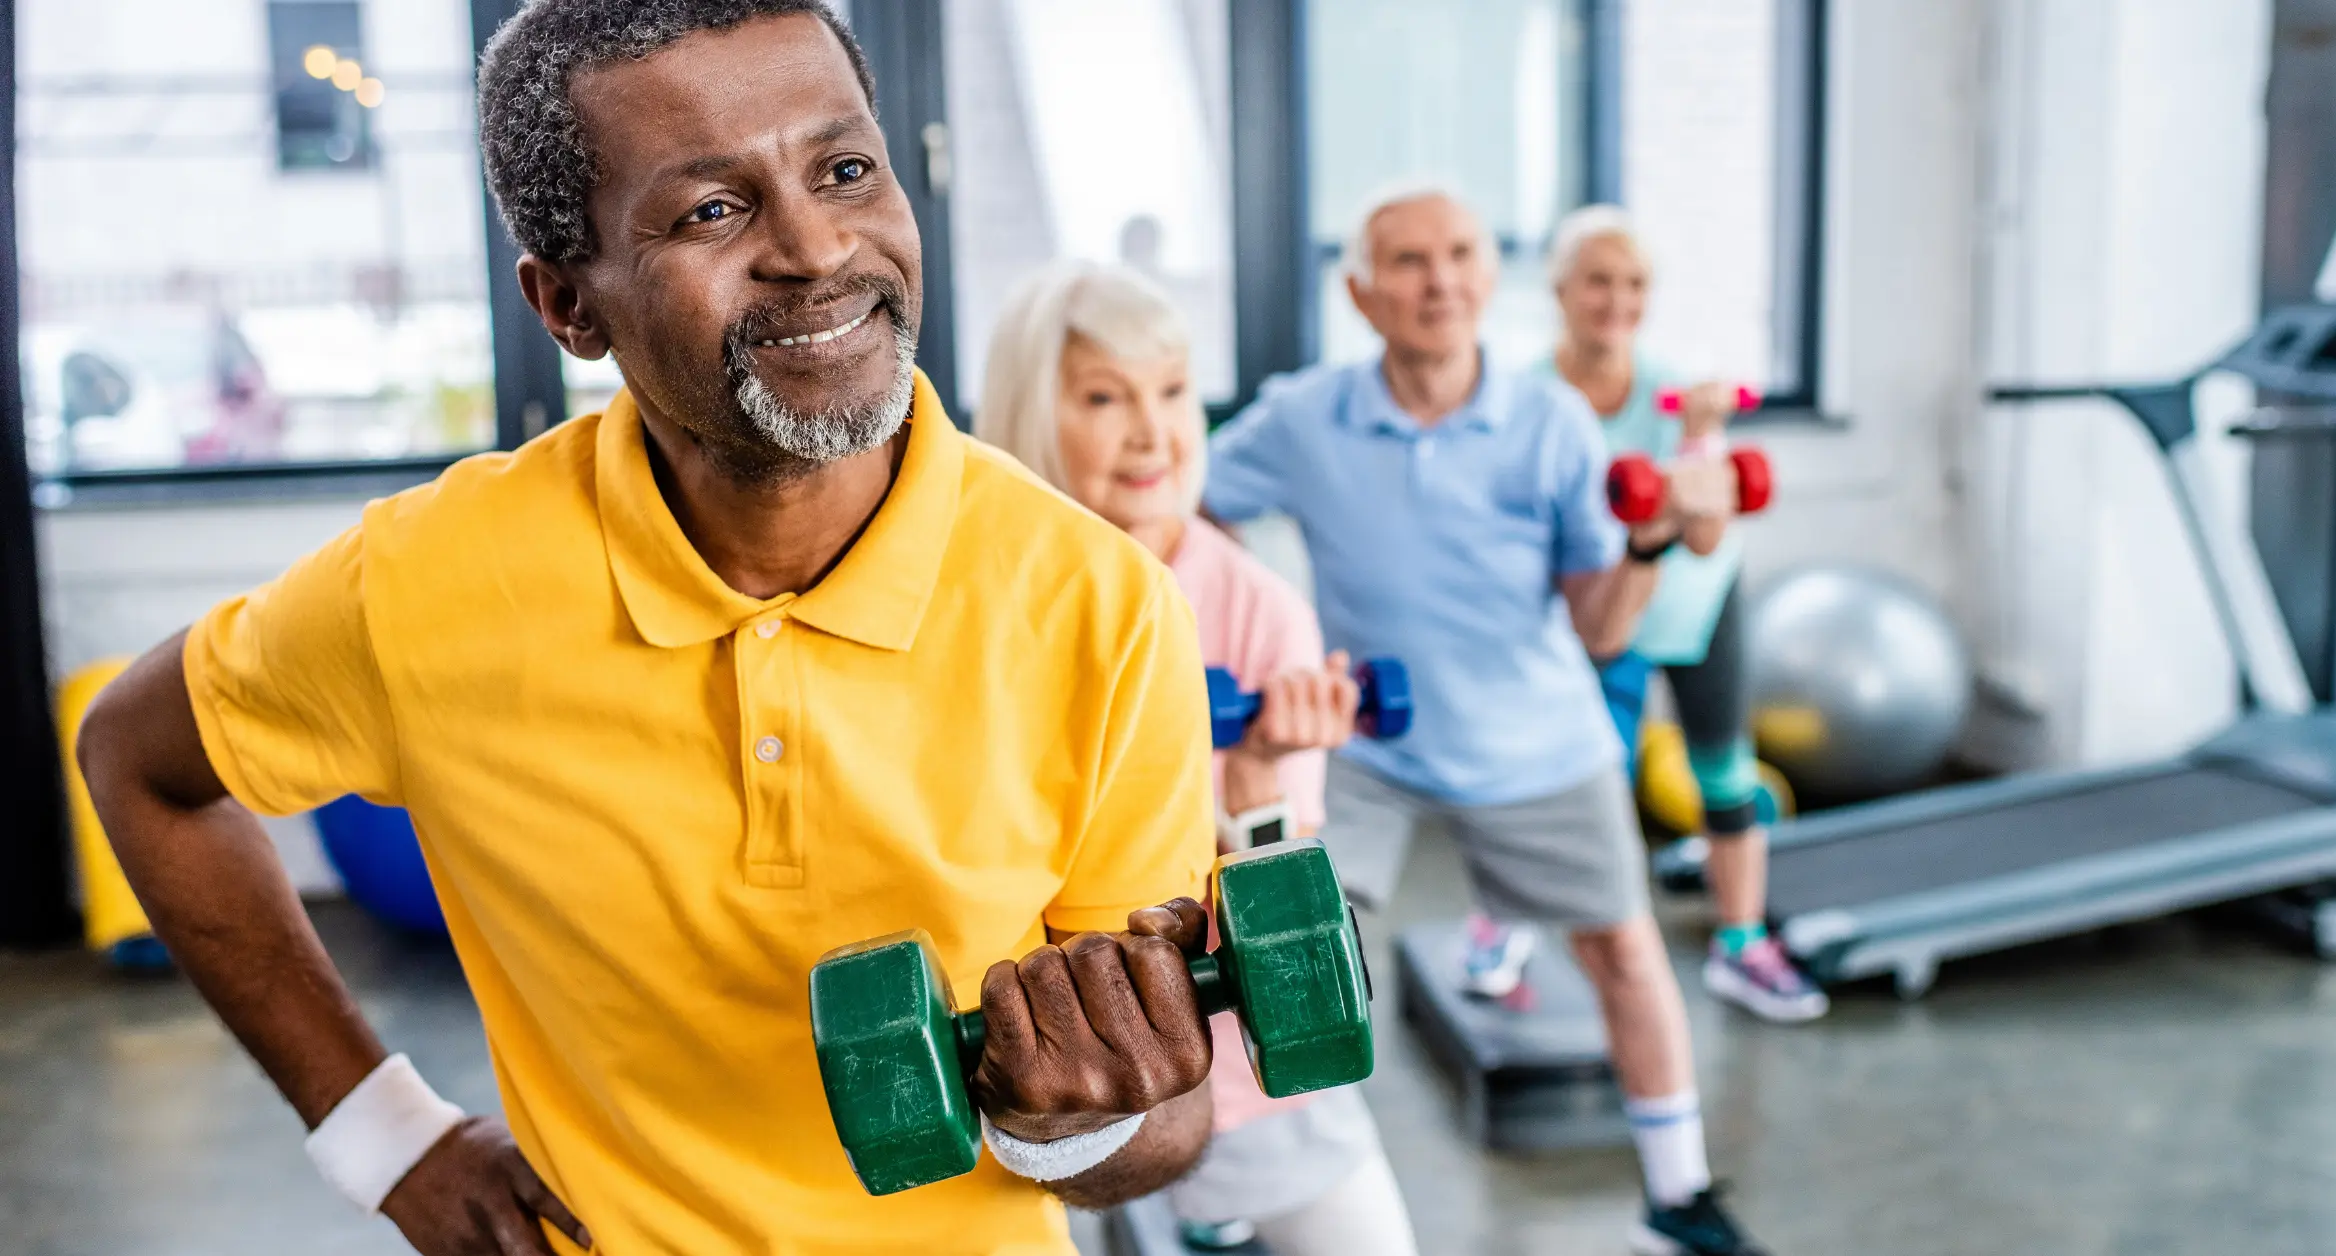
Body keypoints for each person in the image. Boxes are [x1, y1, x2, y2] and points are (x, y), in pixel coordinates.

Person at [74, 5, 1232, 1254]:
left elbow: (1164, 1130)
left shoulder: (1101, 607)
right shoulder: (428, 583)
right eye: (711, 212)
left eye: (844, 170)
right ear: (569, 304)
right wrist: (383, 1133)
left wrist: (1073, 1111)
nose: (815, 247)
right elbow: (134, 760)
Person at [1205, 186, 1770, 1256]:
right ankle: (1246, 1182)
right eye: (1409, 262)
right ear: (1362, 293)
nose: (1441, 280)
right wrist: (1250, 624)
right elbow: (1187, 498)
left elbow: (1602, 629)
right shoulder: (1307, 414)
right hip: (1367, 743)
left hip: (1538, 735)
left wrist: (1650, 545)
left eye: (1461, 253)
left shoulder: (1547, 418)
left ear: (1488, 274)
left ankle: (1679, 1193)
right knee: (1274, 948)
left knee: (1624, 952)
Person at [978, 261, 1421, 1255]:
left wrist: (1259, 769)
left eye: (1173, 391)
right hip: (1044, 1068)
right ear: (1031, 408)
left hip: (1228, 1052)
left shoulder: (1260, 606)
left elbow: (1275, 903)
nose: (1154, 431)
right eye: (1105, 397)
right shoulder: (994, 602)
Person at [1545, 205, 1827, 1024]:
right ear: (1561, 289)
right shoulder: (1530, 397)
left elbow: (1705, 540)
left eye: (1634, 283)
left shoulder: (1678, 390)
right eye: (1598, 279)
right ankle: (1508, 928)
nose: (1616, 299)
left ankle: (1741, 948)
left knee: (1725, 775)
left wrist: (1702, 438)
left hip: (1697, 606)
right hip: (1597, 613)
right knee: (1569, 787)